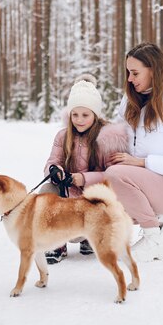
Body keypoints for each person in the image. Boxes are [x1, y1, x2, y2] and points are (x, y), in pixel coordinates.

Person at [106, 42, 163, 262]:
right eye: (128, 72)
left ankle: (154, 238)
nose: (129, 79)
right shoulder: (130, 101)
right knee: (102, 180)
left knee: (114, 175)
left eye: (135, 72)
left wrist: (141, 162)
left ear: (154, 70)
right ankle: (157, 220)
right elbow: (119, 141)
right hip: (137, 183)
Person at [41, 75, 129, 264]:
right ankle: (57, 242)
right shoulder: (63, 136)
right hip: (68, 197)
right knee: (46, 192)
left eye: (85, 115)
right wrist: (54, 170)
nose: (79, 120)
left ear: (95, 115)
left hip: (94, 202)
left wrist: (83, 179)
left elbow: (115, 175)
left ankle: (92, 237)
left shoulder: (108, 138)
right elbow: (52, 161)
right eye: (75, 115)